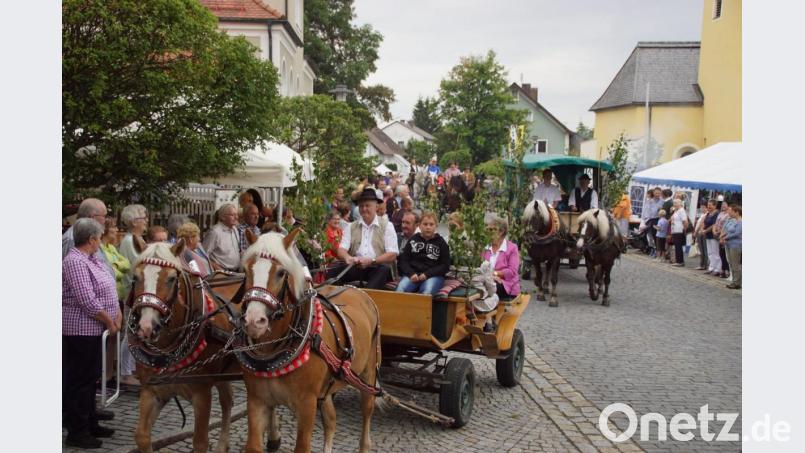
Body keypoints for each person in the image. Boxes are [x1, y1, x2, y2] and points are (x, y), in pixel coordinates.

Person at [63, 218, 121, 448]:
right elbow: (86, 299)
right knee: (80, 381)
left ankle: (91, 422)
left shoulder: (92, 259)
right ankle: (77, 431)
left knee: (91, 378)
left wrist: (116, 313)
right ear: (92, 239)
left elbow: (108, 287)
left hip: (95, 329)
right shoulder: (75, 261)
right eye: (99, 237)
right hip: (80, 329)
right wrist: (109, 320)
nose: (100, 241)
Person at [331, 187, 400, 289]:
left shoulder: (387, 225)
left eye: (367, 205)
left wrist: (372, 261)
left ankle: (365, 298)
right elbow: (341, 250)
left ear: (376, 206)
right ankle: (333, 303)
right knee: (333, 272)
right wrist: (348, 258)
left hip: (378, 267)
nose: (364, 209)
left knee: (384, 269)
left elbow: (392, 254)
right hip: (356, 267)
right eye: (361, 206)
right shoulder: (351, 226)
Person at [117, 203, 149, 386]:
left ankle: (130, 369)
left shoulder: (136, 239)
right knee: (130, 332)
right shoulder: (130, 241)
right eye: (143, 218)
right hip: (133, 293)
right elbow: (136, 266)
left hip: (138, 293)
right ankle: (125, 373)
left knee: (135, 331)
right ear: (133, 221)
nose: (146, 221)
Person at [396, 212, 450, 295]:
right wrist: (411, 273)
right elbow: (404, 260)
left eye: (431, 224)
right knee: (400, 289)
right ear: (419, 226)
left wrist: (427, 274)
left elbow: (445, 265)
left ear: (436, 226)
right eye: (425, 224)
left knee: (427, 291)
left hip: (433, 276)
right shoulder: (413, 240)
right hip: (413, 275)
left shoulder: (441, 243)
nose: (428, 227)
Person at [481, 215, 521, 299]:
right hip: (486, 280)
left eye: (492, 229)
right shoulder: (485, 247)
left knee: (488, 287)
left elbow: (512, 271)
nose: (489, 232)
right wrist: (489, 277)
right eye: (488, 229)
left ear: (501, 232)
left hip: (506, 284)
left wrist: (495, 274)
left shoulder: (512, 248)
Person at [203, 203, 241, 272]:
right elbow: (203, 255)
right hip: (222, 273)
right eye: (232, 215)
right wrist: (216, 267)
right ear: (222, 217)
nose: (236, 217)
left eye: (236, 214)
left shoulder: (235, 229)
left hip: (235, 272)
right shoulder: (215, 232)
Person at [100, 218, 130, 302]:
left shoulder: (111, 247)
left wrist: (116, 265)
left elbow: (127, 264)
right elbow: (108, 273)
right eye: (114, 227)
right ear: (104, 229)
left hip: (119, 296)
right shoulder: (98, 250)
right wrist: (122, 273)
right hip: (108, 297)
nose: (117, 230)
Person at [721, 205, 742, 289]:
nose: (731, 213)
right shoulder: (735, 221)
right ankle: (734, 280)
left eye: (732, 211)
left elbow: (737, 233)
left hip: (735, 245)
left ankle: (737, 282)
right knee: (731, 263)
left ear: (737, 212)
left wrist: (726, 237)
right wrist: (724, 236)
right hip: (729, 244)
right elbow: (728, 229)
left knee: (735, 264)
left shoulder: (741, 222)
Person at [701, 199, 722, 275]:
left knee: (715, 252)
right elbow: (704, 222)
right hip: (707, 235)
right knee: (710, 252)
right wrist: (702, 229)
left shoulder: (717, 213)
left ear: (715, 206)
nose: (708, 206)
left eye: (710, 205)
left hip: (713, 235)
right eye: (708, 205)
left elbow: (714, 224)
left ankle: (717, 269)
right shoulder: (708, 214)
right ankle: (711, 267)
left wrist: (705, 230)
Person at [641, 188, 663, 256]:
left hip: (657, 219)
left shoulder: (662, 201)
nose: (657, 195)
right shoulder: (650, 201)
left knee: (656, 235)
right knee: (650, 235)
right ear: (653, 193)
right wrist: (644, 219)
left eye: (659, 193)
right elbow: (646, 210)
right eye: (656, 193)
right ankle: (652, 248)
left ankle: (657, 250)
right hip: (650, 219)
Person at [713, 200, 731, 279]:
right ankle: (722, 269)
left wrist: (720, 232)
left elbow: (726, 226)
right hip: (718, 234)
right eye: (722, 204)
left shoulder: (729, 215)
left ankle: (727, 270)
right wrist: (715, 231)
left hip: (724, 235)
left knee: (725, 254)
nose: (723, 206)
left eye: (725, 204)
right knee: (721, 253)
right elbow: (716, 223)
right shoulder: (720, 213)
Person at [670, 199, 689, 267]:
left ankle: (680, 261)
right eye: (674, 203)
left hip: (679, 230)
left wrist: (684, 230)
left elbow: (685, 221)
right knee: (677, 246)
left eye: (676, 203)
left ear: (680, 203)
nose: (674, 204)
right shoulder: (676, 211)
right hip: (675, 230)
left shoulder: (681, 211)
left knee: (678, 246)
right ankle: (678, 260)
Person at [693, 204, 710, 270]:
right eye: (701, 207)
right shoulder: (702, 215)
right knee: (701, 250)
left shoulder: (706, 215)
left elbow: (701, 224)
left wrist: (696, 231)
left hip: (702, 233)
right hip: (699, 233)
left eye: (703, 207)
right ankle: (702, 264)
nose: (702, 209)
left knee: (704, 250)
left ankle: (705, 265)